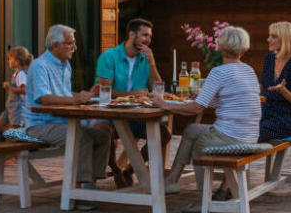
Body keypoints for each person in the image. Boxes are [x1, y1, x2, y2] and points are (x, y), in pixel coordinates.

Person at [153, 26, 261, 196]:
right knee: (191, 130)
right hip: (250, 137)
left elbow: (196, 108)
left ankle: (206, 199)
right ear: (244, 49)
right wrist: (207, 97)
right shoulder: (249, 70)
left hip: (231, 139)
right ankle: (172, 181)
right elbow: (233, 102)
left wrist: (163, 104)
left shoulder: (218, 72)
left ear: (220, 47)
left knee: (199, 144)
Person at [24, 25, 109, 211]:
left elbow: (63, 94)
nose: (74, 47)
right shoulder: (40, 66)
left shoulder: (65, 65)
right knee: (81, 137)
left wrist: (83, 96)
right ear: (55, 45)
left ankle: (90, 184)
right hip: (40, 124)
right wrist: (75, 99)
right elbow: (44, 98)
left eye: (74, 43)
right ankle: (77, 193)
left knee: (102, 135)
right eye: (70, 43)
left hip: (61, 121)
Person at [95, 18, 169, 184]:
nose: (148, 40)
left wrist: (152, 63)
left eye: (149, 37)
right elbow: (104, 91)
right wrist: (132, 94)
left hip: (137, 116)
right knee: (102, 131)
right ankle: (115, 170)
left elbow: (158, 89)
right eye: (144, 35)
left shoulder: (145, 59)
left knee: (164, 133)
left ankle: (131, 169)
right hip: (110, 114)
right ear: (131, 34)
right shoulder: (109, 57)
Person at [0, 46, 33, 131]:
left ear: (17, 61)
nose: (8, 61)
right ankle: (16, 135)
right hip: (10, 107)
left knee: (15, 129)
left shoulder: (21, 74)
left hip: (17, 108)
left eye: (10, 59)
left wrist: (9, 87)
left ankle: (19, 136)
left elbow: (23, 90)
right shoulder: (16, 74)